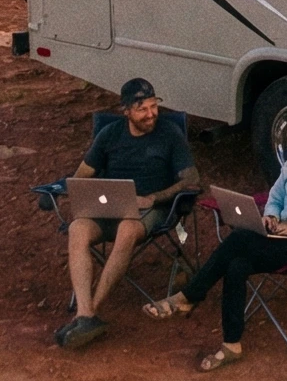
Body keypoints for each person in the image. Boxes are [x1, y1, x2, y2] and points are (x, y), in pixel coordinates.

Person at [144, 104, 287, 370]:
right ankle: (231, 344)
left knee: (240, 240)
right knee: (237, 266)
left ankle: (189, 296)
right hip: (283, 235)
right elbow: (277, 193)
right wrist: (271, 215)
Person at [55, 77, 199, 350]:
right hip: (109, 209)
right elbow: (82, 175)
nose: (151, 114)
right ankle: (84, 313)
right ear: (126, 111)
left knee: (128, 228)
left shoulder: (169, 134)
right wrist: (87, 195)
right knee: (78, 229)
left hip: (151, 211)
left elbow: (192, 179)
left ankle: (90, 313)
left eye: (153, 106)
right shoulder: (109, 135)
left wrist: (153, 197)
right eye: (142, 109)